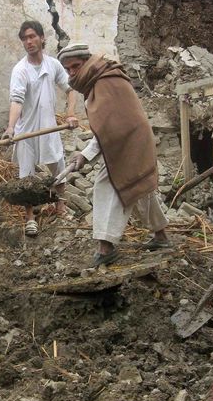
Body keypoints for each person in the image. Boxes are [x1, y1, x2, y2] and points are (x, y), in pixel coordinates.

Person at [58, 43, 169, 267]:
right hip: (123, 141)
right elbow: (108, 128)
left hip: (130, 141)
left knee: (109, 185)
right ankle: (161, 236)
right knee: (139, 188)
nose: (72, 73)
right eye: (68, 69)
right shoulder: (97, 80)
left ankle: (106, 247)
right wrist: (84, 154)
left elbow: (111, 128)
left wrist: (86, 155)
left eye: (76, 66)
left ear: (87, 61)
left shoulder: (106, 80)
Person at [6, 20, 78, 236]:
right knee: (26, 176)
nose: (28, 41)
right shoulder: (20, 70)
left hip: (49, 128)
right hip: (26, 132)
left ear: (42, 38)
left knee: (58, 166)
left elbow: (70, 89)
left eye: (32, 36)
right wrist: (11, 128)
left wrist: (71, 114)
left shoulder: (53, 65)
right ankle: (30, 218)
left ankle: (61, 207)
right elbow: (16, 100)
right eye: (25, 38)